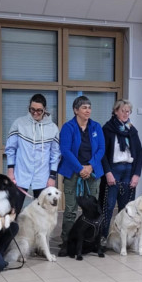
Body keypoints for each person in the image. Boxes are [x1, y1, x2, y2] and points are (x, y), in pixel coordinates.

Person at [57, 95, 105, 256]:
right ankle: (67, 242)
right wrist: (80, 168)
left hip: (92, 172)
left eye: (89, 107)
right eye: (84, 107)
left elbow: (101, 149)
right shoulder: (68, 127)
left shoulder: (96, 127)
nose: (88, 110)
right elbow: (65, 150)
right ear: (75, 110)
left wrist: (90, 166)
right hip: (73, 173)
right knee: (70, 210)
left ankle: (91, 241)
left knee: (93, 211)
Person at [5, 93, 60, 213]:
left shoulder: (53, 128)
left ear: (45, 109)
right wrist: (10, 171)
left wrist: (52, 176)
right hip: (20, 174)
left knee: (42, 213)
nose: (35, 113)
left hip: (42, 176)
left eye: (39, 110)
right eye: (32, 109)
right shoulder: (19, 123)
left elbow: (55, 154)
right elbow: (10, 149)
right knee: (13, 210)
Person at [100, 100, 142, 239]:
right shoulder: (108, 128)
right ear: (115, 111)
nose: (125, 114)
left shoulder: (132, 130)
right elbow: (102, 153)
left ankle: (123, 239)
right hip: (114, 170)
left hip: (129, 170)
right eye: (123, 111)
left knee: (127, 207)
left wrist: (137, 174)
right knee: (108, 206)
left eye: (128, 111)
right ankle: (103, 237)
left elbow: (139, 153)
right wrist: (108, 172)